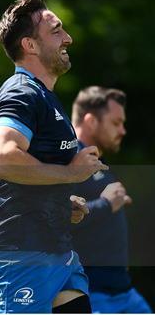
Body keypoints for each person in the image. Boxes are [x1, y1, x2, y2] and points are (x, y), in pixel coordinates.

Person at [0, 0, 108, 313]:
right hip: (22, 250)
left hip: (54, 248)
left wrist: (59, 199)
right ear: (30, 45)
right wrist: (70, 174)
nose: (68, 38)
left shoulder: (42, 96)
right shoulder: (22, 92)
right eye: (56, 31)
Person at [71, 86, 152, 313]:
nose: (123, 130)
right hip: (93, 295)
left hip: (125, 293)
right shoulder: (70, 160)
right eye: (116, 123)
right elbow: (55, 218)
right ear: (91, 121)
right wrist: (106, 204)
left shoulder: (96, 162)